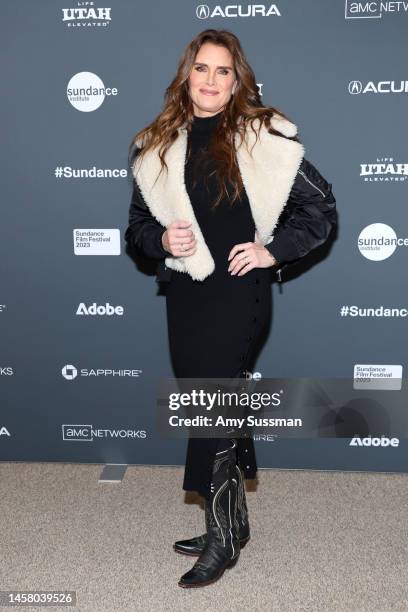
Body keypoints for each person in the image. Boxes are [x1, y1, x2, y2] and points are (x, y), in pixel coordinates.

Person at [124, 28, 337, 588]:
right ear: (185, 74)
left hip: (240, 295)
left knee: (216, 404)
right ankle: (233, 522)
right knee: (211, 403)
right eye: (202, 68)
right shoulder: (156, 145)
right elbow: (137, 228)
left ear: (237, 78)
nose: (211, 80)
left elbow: (320, 208)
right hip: (188, 295)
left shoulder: (261, 137)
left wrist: (272, 250)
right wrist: (160, 242)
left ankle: (221, 538)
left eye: (223, 70)